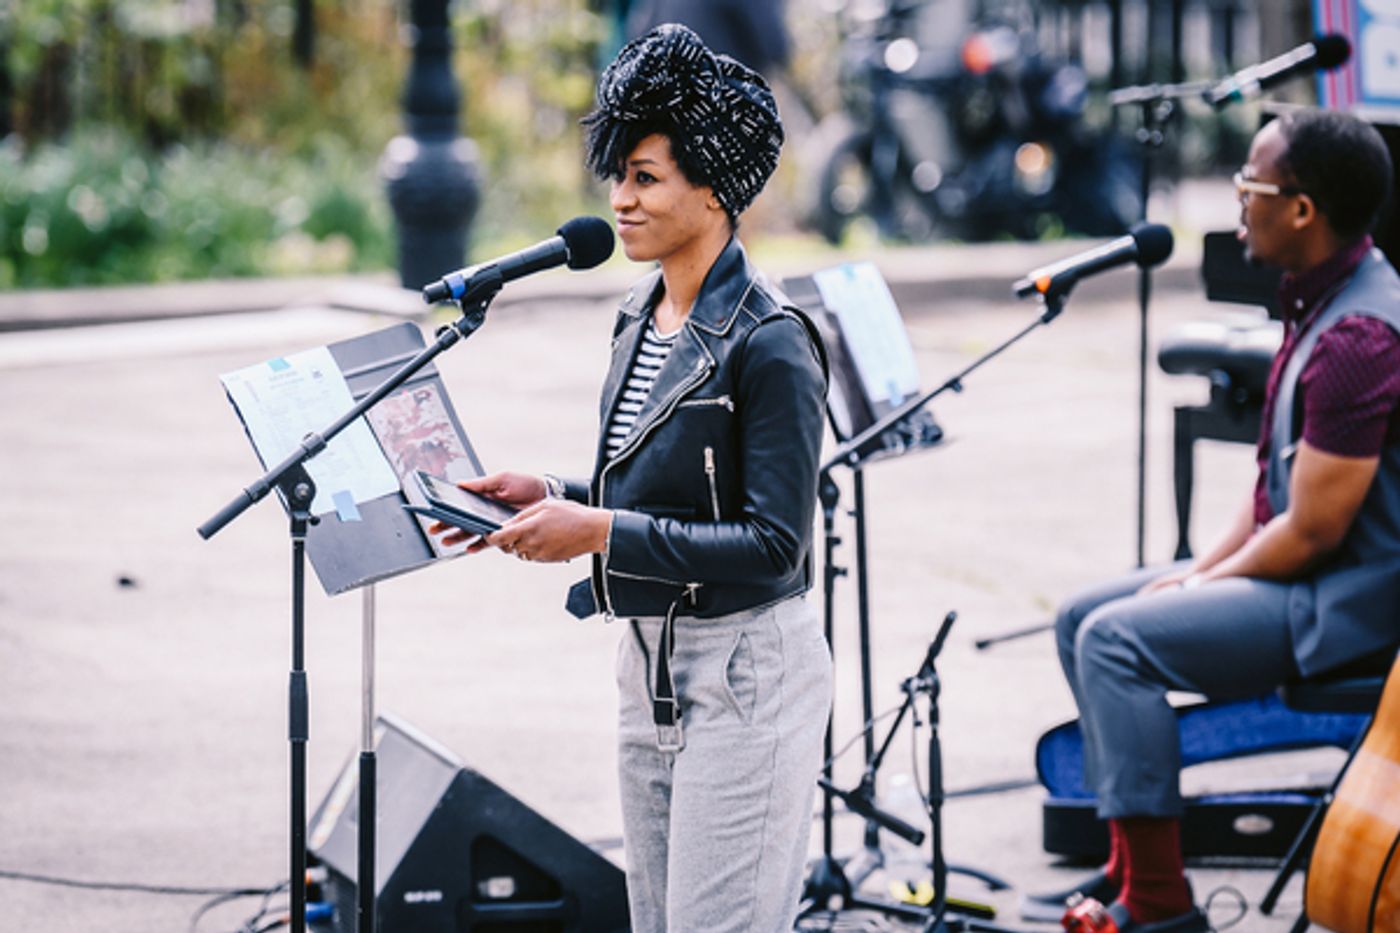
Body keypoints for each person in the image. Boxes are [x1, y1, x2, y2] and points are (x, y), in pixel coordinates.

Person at [432, 24, 832, 933]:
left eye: (645, 177)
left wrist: (600, 530)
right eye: (618, 174)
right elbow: (665, 492)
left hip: (746, 671)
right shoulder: (639, 315)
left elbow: (775, 544)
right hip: (648, 662)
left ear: (714, 189)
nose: (620, 199)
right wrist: (554, 492)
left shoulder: (771, 341)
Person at [1025, 108, 1400, 933]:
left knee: (1116, 641)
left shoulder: (1360, 336)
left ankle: (1162, 901)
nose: (1237, 200)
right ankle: (1127, 866)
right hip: (1307, 573)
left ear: (1301, 209)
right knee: (1083, 616)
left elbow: (1313, 530)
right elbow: (1271, 492)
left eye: (1249, 184)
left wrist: (1202, 585)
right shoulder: (1321, 299)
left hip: (1346, 602)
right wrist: (1198, 571)